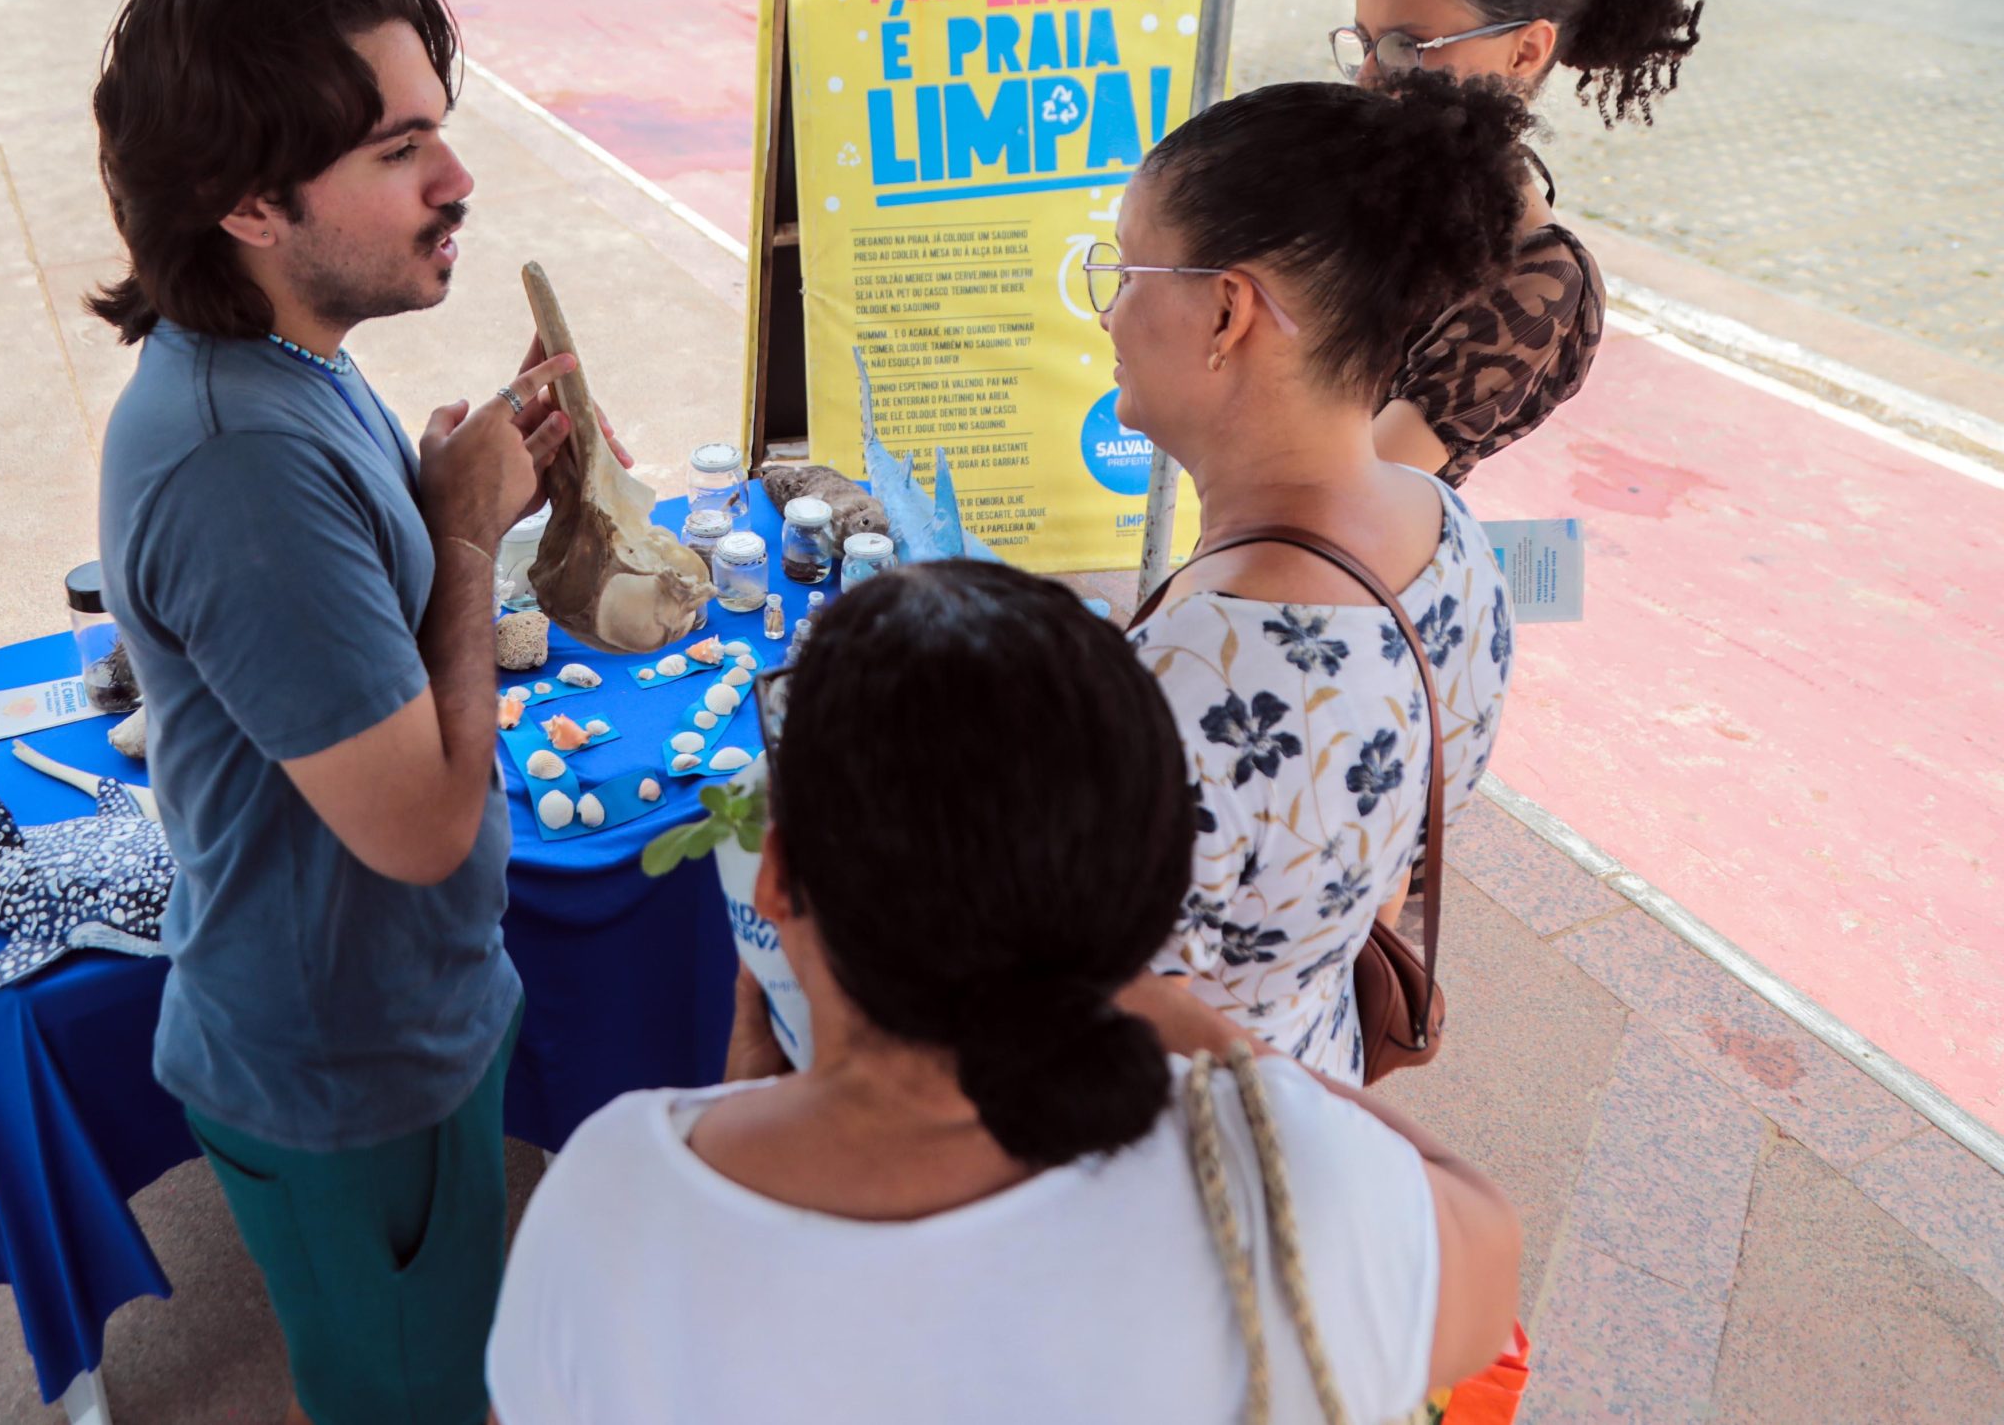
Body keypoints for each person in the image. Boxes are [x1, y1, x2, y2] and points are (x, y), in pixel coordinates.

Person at [485, 563, 1523, 1423]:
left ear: (777, 881)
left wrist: (746, 1103)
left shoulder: (614, 1204)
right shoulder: (1288, 1187)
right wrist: (1199, 1029)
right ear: (1145, 891)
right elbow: (1484, 1257)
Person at [91, 0, 574, 1425]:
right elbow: (419, 827)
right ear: (248, 203)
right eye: (398, 148)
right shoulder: (237, 464)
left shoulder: (289, 356)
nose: (455, 179)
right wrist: (469, 537)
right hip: (343, 1068)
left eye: (440, 128)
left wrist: (447, 501)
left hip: (406, 1013)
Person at [1096, 74, 1524, 1081]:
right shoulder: (1449, 533)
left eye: (1125, 270)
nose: (1108, 313)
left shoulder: (1190, 681)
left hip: (1193, 1142)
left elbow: (1091, 1015)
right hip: (1316, 1074)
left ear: (1225, 311)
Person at [1336, 0, 1704, 485]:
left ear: (1527, 51)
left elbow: (1347, 491)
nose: (1368, 77)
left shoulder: (1536, 277)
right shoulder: (1364, 175)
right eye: (1366, 43)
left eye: (1407, 46)